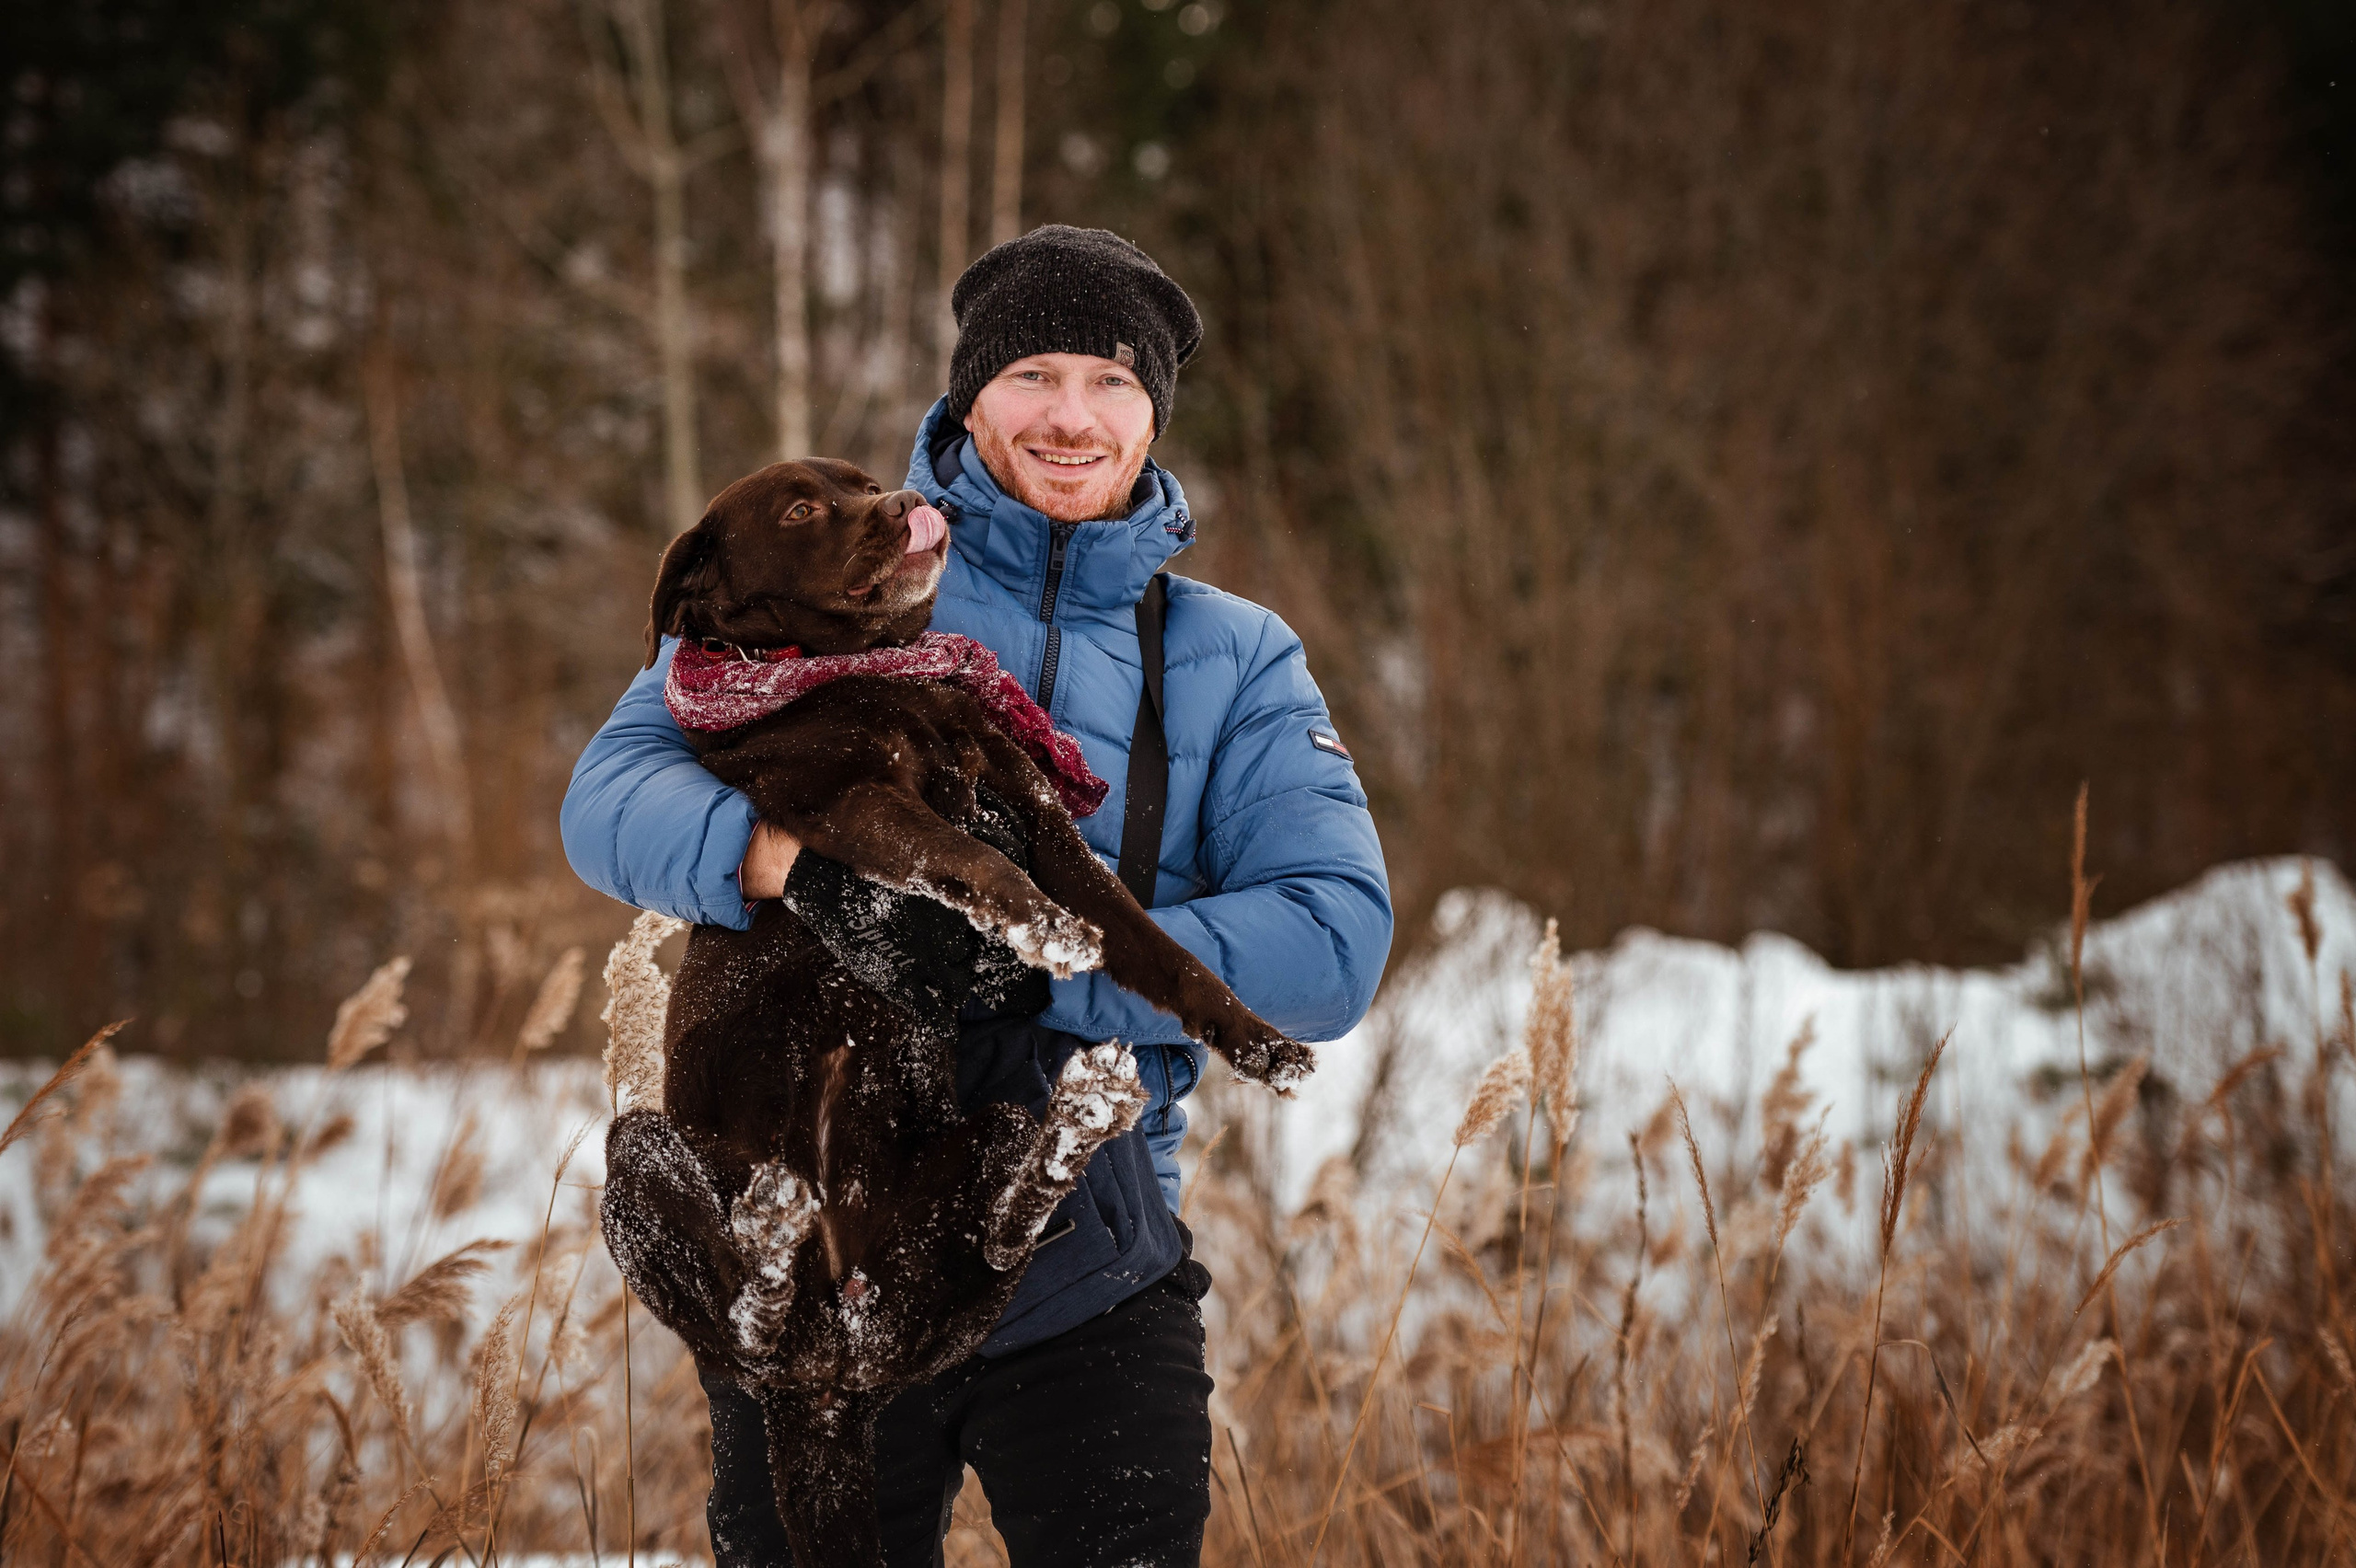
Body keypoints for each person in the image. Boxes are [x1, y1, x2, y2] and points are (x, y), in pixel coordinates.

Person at [560, 225, 1392, 1568]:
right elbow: (606, 803)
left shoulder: (1236, 659)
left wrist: (1036, 963)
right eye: (1035, 376)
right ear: (968, 397)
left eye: (1113, 384)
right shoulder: (823, 595)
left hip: (1088, 1249)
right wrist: (797, 873)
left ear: (1153, 418)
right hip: (814, 1239)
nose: (1073, 416)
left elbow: (1334, 943)